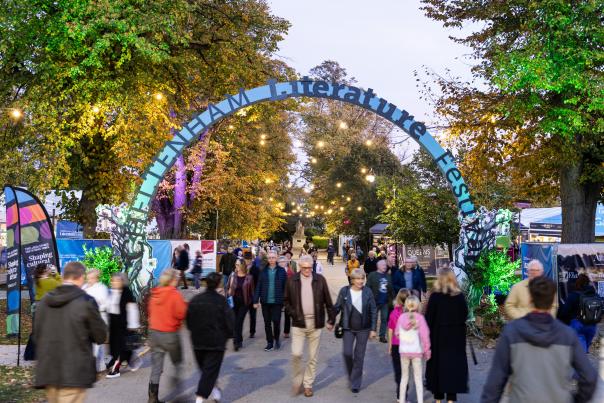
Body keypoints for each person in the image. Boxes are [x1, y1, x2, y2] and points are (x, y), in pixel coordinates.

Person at [481, 276, 598, 403]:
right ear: (552, 299)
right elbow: (589, 377)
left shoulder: (512, 332)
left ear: (530, 298)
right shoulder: (566, 334)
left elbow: (495, 382)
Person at [34, 261, 107, 403]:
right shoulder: (86, 301)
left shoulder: (44, 301)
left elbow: (37, 335)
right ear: (80, 277)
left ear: (63, 276)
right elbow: (100, 335)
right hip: (74, 372)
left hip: (49, 371)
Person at [284, 255, 336, 398]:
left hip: (316, 323)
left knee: (313, 357)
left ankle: (307, 384)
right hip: (298, 323)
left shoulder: (320, 280)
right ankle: (297, 380)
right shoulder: (292, 280)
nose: (307, 270)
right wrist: (293, 313)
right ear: (300, 267)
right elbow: (286, 301)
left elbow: (328, 301)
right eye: (304, 267)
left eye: (309, 267)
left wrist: (331, 319)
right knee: (296, 354)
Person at [187, 272, 234, 403]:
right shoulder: (222, 301)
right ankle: (201, 396)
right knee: (208, 372)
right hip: (216, 343)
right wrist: (229, 335)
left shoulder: (195, 300)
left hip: (198, 342)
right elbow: (230, 321)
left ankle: (212, 393)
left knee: (206, 371)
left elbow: (189, 321)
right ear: (219, 284)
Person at [425, 270, 468, 403]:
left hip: (438, 338)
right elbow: (465, 315)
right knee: (453, 369)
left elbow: (428, 319)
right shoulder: (459, 296)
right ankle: (451, 399)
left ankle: (438, 399)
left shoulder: (435, 297)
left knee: (438, 368)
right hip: (456, 339)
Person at [334, 268, 377, 393]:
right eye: (357, 279)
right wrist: (330, 320)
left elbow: (373, 310)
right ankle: (352, 374)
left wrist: (373, 329)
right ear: (352, 280)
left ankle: (355, 383)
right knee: (347, 353)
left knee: (359, 356)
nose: (360, 281)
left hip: (364, 329)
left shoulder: (368, 292)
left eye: (362, 278)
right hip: (347, 327)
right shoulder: (345, 291)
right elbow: (337, 307)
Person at [148, 269, 187, 403]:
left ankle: (152, 398)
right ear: (172, 280)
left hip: (154, 333)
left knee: (156, 367)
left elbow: (150, 312)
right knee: (177, 363)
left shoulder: (155, 293)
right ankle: (177, 392)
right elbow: (181, 313)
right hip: (170, 334)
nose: (178, 280)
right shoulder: (174, 294)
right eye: (176, 278)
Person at [106, 273, 142, 378]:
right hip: (113, 324)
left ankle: (115, 369)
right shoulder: (110, 292)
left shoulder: (127, 292)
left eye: (117, 281)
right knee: (116, 347)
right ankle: (132, 360)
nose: (115, 283)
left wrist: (133, 324)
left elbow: (132, 309)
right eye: (113, 281)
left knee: (122, 347)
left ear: (121, 282)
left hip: (124, 324)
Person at [396, 295, 431, 403]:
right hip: (416, 352)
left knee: (404, 377)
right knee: (418, 378)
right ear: (417, 305)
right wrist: (427, 351)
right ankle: (420, 401)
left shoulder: (401, 317)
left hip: (404, 352)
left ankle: (402, 400)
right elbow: (425, 336)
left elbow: (397, 333)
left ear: (406, 305)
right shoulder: (420, 318)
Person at [253, 250, 287, 351]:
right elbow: (258, 286)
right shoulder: (263, 271)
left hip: (277, 302)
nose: (271, 260)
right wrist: (255, 300)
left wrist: (285, 301)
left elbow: (286, 287)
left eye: (273, 257)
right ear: (267, 259)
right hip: (265, 302)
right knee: (267, 323)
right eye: (269, 258)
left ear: (276, 258)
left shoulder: (281, 271)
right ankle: (269, 342)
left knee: (276, 321)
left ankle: (276, 338)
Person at [559, 273, 600, 352]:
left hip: (578, 325)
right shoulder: (595, 295)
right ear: (588, 283)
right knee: (583, 352)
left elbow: (565, 312)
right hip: (592, 326)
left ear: (577, 283)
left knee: (580, 353)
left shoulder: (573, 295)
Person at [83, 269, 110, 372]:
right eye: (88, 277)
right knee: (94, 342)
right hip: (87, 318)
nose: (89, 280)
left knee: (98, 342)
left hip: (99, 317)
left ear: (96, 278)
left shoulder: (102, 288)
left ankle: (97, 366)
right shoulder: (85, 287)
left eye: (91, 278)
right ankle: (100, 365)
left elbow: (106, 303)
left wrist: (96, 304)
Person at [388, 289, 411, 401]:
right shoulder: (412, 314)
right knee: (405, 372)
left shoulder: (394, 313)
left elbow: (390, 330)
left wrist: (390, 346)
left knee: (399, 372)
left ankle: (400, 396)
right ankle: (403, 396)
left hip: (396, 345)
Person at [227, 259, 255, 351]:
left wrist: (252, 302)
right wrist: (229, 291)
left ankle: (237, 341)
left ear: (243, 266)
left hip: (244, 303)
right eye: (236, 265)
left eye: (238, 265)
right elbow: (227, 288)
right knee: (235, 322)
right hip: (233, 302)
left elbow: (252, 292)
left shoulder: (249, 277)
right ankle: (237, 341)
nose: (236, 266)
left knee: (239, 321)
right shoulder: (232, 276)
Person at [366, 259, 393, 343]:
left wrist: (393, 299)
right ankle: (372, 332)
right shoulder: (372, 275)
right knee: (373, 318)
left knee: (384, 319)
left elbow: (391, 289)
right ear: (378, 266)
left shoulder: (388, 276)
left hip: (385, 302)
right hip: (374, 301)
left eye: (385, 265)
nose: (385, 267)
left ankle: (382, 336)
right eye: (383, 265)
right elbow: (367, 287)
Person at [280, 255, 295, 338]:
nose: (282, 263)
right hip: (279, 295)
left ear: (286, 263)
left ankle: (286, 331)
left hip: (288, 296)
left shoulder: (290, 272)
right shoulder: (276, 271)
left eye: (283, 262)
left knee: (287, 313)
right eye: (280, 262)